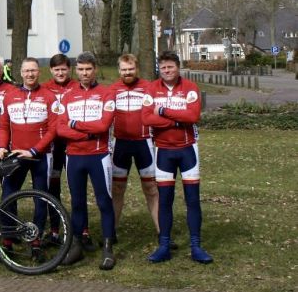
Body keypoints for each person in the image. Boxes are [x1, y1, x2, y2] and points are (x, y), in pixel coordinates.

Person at [142, 51, 212, 264]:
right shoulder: (151, 88)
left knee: (192, 199)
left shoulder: (190, 87)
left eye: (170, 67)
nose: (167, 71)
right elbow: (146, 118)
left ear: (178, 67)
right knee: (165, 200)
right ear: (159, 69)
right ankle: (164, 246)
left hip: (188, 150)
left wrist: (162, 111)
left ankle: (196, 246)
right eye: (163, 67)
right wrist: (175, 120)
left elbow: (193, 116)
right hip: (163, 151)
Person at [56, 52, 116, 270]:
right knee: (77, 202)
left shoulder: (106, 94)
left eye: (88, 69)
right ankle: (77, 246)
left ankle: (108, 248)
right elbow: (60, 129)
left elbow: (103, 126)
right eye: (80, 69)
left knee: (103, 202)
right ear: (76, 70)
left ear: (95, 69)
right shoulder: (68, 96)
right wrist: (85, 133)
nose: (84, 73)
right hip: (74, 157)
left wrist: (75, 125)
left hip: (99, 156)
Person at [0, 57, 58, 251]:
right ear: (21, 73)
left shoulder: (49, 96)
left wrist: (34, 150)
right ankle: (8, 237)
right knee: (8, 195)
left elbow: (53, 129)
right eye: (26, 71)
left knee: (40, 197)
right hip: (16, 155)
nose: (30, 74)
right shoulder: (10, 95)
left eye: (33, 70)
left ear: (39, 72)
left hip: (40, 156)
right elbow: (4, 125)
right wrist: (2, 146)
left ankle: (35, 238)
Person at [109, 54, 159, 241]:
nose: (127, 72)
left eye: (131, 69)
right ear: (119, 70)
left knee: (151, 188)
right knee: (117, 189)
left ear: (136, 69)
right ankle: (111, 232)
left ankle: (162, 233)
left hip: (144, 143)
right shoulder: (112, 89)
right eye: (124, 69)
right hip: (120, 143)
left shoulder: (149, 88)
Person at [42, 53, 84, 247]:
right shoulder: (44, 89)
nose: (60, 73)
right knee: (53, 188)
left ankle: (82, 231)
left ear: (70, 69)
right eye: (56, 70)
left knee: (77, 189)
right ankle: (54, 231)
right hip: (52, 147)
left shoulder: (77, 87)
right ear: (51, 70)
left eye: (63, 69)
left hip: (73, 145)